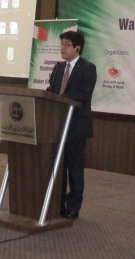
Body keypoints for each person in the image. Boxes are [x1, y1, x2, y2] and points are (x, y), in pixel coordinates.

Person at [46, 30, 96, 219]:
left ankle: (73, 207)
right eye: (61, 44)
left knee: (75, 169)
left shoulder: (88, 68)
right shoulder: (58, 68)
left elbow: (84, 94)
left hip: (76, 127)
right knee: (59, 169)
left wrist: (61, 97)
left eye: (66, 45)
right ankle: (57, 205)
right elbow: (51, 91)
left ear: (77, 48)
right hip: (57, 126)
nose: (62, 48)